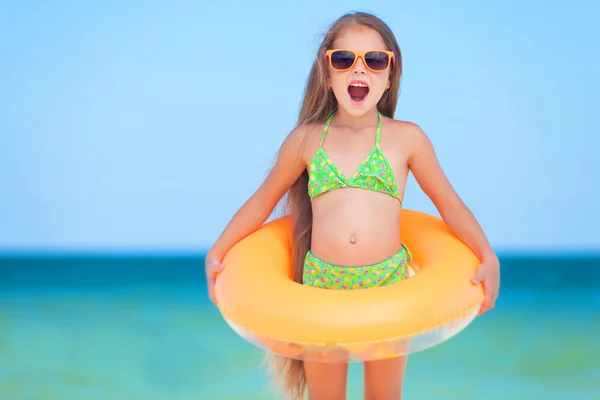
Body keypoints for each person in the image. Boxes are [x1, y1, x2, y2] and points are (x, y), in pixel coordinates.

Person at [205, 11, 500, 400]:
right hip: (322, 289)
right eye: (344, 59)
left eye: (375, 61)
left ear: (390, 75)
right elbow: (261, 203)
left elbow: (450, 204)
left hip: (387, 286)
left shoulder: (407, 139)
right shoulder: (306, 141)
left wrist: (487, 256)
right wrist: (218, 251)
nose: (359, 70)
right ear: (327, 75)